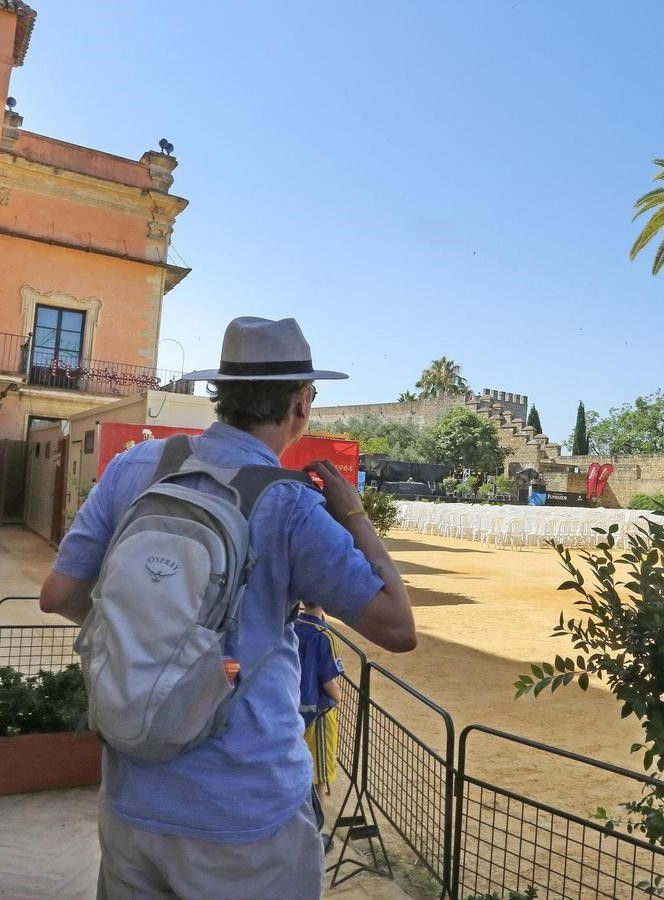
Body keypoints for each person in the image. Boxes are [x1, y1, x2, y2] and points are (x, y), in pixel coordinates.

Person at [40, 316, 416, 900]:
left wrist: (152, 637)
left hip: (132, 797)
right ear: (300, 404)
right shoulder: (291, 505)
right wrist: (354, 514)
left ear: (222, 395)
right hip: (247, 811)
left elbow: (58, 595)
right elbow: (397, 626)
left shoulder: (135, 468)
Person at [294, 602, 342, 844]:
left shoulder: (293, 625)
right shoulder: (323, 635)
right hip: (319, 712)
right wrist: (338, 697)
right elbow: (329, 681)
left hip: (293, 710)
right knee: (320, 774)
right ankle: (316, 833)